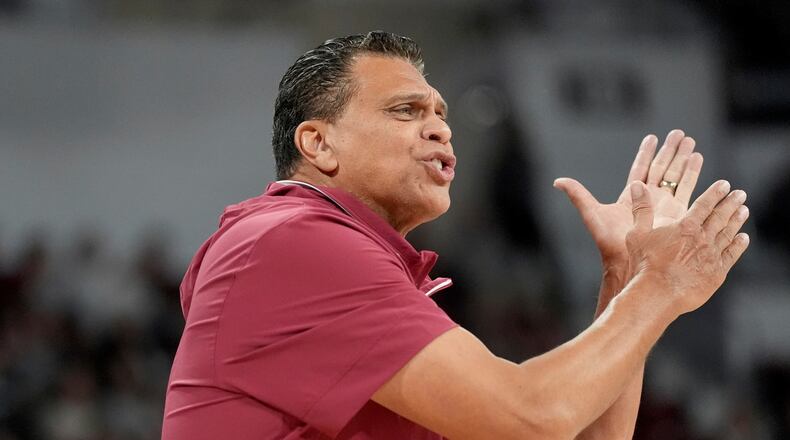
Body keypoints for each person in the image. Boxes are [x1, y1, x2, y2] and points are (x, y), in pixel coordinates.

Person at [161, 31, 750, 439]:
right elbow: (533, 417)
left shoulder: (355, 266)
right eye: (406, 111)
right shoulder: (294, 241)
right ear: (318, 143)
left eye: (441, 113)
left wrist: (625, 275)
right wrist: (660, 288)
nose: (441, 129)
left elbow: (567, 429)